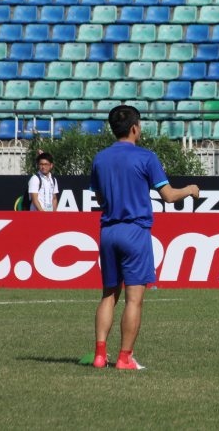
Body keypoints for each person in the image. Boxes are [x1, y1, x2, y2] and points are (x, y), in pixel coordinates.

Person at [90, 106, 199, 370]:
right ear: (135, 128)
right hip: (135, 231)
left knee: (108, 296)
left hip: (108, 232)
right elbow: (170, 196)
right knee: (134, 299)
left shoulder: (100, 158)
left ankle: (100, 356)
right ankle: (125, 358)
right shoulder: (146, 156)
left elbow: (101, 199)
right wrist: (191, 189)